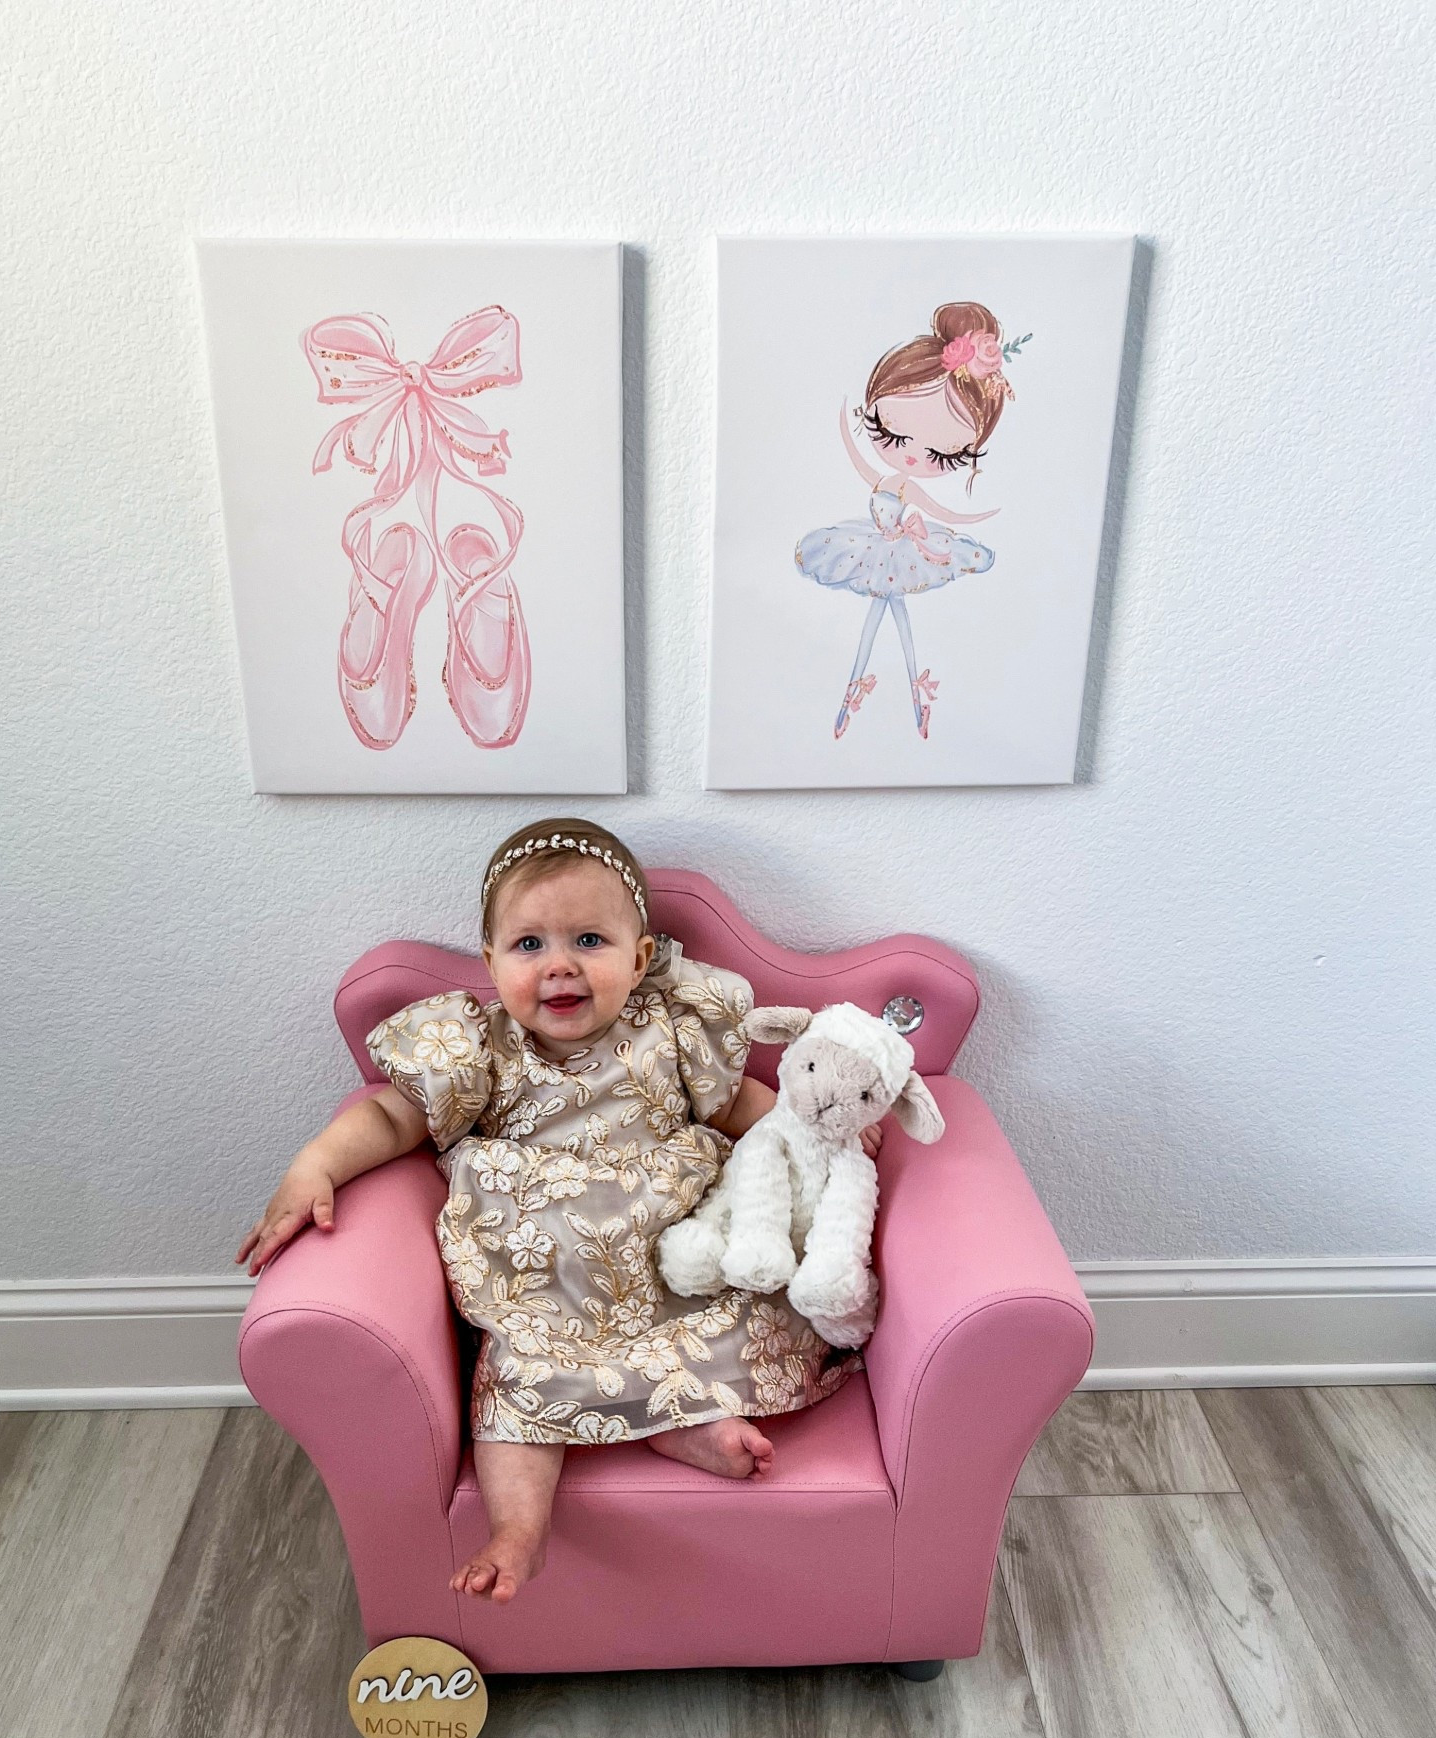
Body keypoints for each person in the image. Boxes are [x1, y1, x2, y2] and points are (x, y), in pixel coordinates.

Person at [236, 819, 885, 1605]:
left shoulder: (672, 1029)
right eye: (530, 945)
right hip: (547, 1280)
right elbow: (390, 1118)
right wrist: (317, 1164)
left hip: (671, 1255)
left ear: (640, 957)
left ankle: (684, 1424)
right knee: (516, 1372)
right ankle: (519, 1528)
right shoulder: (480, 1047)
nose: (560, 966)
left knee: (752, 1311)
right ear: (491, 962)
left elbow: (736, 1105)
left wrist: (815, 1120)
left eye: (588, 939)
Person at [795, 300, 1026, 741]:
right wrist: (844, 424)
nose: (914, 456)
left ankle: (898, 696)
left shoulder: (906, 489)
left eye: (944, 455)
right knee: (886, 620)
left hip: (897, 555)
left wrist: (977, 516)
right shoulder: (885, 477)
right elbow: (857, 458)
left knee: (895, 622)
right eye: (893, 433)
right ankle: (866, 696)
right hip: (874, 551)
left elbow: (944, 514)